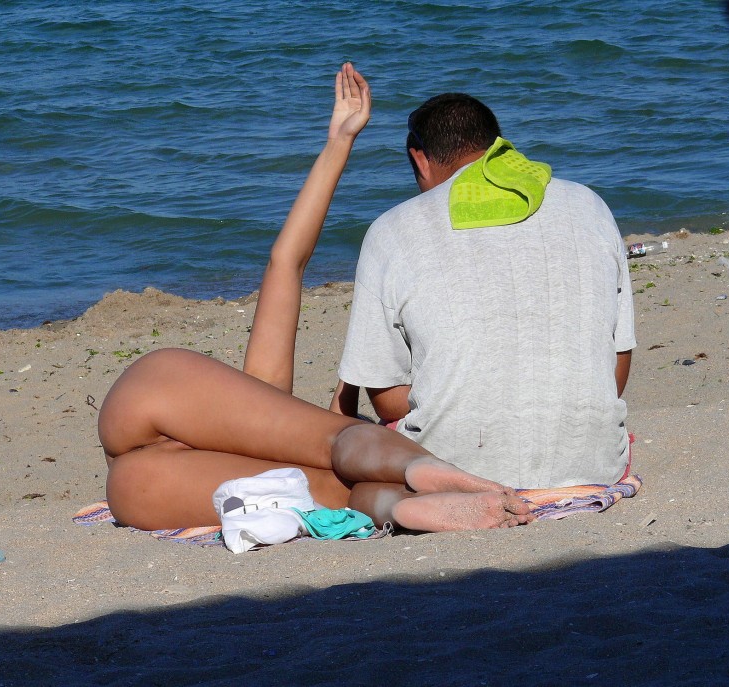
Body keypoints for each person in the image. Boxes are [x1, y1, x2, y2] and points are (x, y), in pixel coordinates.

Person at [98, 65, 533, 532]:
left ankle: (411, 475)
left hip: (150, 447)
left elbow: (286, 262)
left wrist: (339, 142)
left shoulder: (272, 420)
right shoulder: (296, 458)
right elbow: (286, 265)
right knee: (341, 483)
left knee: (337, 444)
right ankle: (401, 496)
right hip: (167, 487)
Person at [338, 93, 636, 490]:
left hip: (450, 475)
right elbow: (616, 363)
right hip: (595, 466)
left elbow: (388, 399)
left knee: (354, 437)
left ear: (419, 159)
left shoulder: (391, 230)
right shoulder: (589, 205)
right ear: (494, 146)